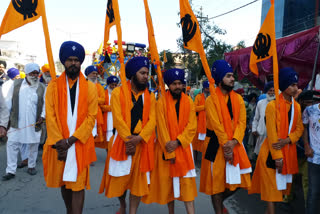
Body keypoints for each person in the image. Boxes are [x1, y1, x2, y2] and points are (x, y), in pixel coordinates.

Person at [42, 41, 98, 214]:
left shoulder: (90, 87)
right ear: (64, 62)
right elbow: (49, 116)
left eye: (76, 60)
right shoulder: (53, 87)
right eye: (69, 60)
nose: (73, 63)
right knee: (65, 183)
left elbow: (91, 117)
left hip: (79, 143)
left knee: (78, 184)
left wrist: (71, 140)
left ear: (81, 62)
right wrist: (60, 142)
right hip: (59, 144)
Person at [99, 57, 156, 214]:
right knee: (120, 179)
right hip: (122, 142)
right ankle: (122, 205)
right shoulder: (118, 93)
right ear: (133, 75)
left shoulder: (150, 96)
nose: (146, 76)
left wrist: (140, 138)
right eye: (142, 73)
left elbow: (153, 121)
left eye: (147, 73)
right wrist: (129, 140)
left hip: (142, 143)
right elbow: (117, 119)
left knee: (138, 182)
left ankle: (132, 211)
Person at [249, 67, 304, 214]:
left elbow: (299, 129)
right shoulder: (272, 106)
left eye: (296, 85)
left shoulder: (297, 107)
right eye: (292, 85)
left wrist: (288, 140)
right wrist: (277, 158)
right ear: (284, 85)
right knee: (271, 192)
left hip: (288, 152)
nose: (295, 88)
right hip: (271, 155)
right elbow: (272, 135)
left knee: (277, 193)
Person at [142, 68, 197, 214]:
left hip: (183, 149)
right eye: (174, 84)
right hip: (166, 151)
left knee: (187, 187)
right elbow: (161, 128)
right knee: (169, 187)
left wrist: (178, 141)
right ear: (168, 85)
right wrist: (169, 149)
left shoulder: (189, 102)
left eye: (180, 83)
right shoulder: (160, 103)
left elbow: (192, 126)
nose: (178, 86)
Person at [200, 60, 252, 214]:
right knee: (216, 183)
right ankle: (219, 211)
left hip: (235, 143)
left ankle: (219, 203)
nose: (232, 79)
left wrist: (234, 141)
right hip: (215, 144)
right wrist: (226, 144)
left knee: (242, 180)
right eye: (228, 76)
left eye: (232, 76)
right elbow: (216, 125)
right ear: (220, 78)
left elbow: (242, 122)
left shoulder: (238, 99)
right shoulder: (210, 100)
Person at [2, 63, 46, 180]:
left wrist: (43, 116)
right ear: (26, 73)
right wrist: (5, 122)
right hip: (17, 121)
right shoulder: (16, 84)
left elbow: (46, 104)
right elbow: (8, 102)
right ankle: (10, 170)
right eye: (32, 73)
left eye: (37, 73)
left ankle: (31, 166)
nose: (35, 75)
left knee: (33, 144)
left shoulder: (42, 87)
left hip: (35, 122)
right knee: (12, 144)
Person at [302, 92, 320, 214]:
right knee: (314, 192)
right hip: (315, 157)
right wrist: (307, 145)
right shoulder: (310, 110)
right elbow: (303, 128)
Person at [85, 65, 105, 148]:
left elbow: (103, 100)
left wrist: (92, 100)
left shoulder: (99, 87)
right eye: (93, 73)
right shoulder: (83, 85)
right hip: (85, 114)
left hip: (96, 115)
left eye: (96, 74)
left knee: (94, 135)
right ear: (88, 74)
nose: (95, 76)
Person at [252, 81, 275, 155]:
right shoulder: (260, 103)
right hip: (261, 134)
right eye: (270, 90)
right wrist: (254, 129)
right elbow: (256, 118)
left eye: (273, 91)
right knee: (260, 156)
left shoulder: (279, 103)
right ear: (266, 91)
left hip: (274, 136)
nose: (272, 92)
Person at [192, 80, 210, 166]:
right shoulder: (198, 97)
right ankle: (195, 161)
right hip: (199, 125)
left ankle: (205, 162)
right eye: (207, 88)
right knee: (196, 144)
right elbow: (194, 108)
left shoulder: (212, 97)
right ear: (204, 88)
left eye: (209, 88)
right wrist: (205, 106)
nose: (208, 90)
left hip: (209, 124)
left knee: (207, 144)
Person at [100, 75, 119, 150]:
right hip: (107, 120)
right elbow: (101, 106)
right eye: (112, 85)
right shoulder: (104, 93)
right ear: (109, 85)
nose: (114, 86)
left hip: (116, 120)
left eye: (115, 85)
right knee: (108, 140)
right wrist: (112, 108)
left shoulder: (119, 93)